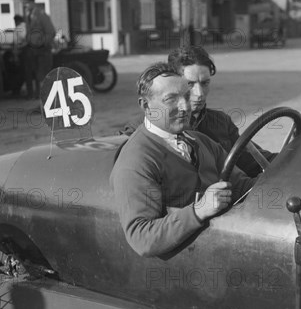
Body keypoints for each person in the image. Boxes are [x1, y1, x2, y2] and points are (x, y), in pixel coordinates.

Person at [110, 62, 255, 257]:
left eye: (186, 96)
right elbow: (142, 237)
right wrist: (199, 210)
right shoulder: (137, 161)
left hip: (228, 247)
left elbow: (242, 186)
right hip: (188, 266)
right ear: (146, 105)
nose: (185, 106)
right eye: (171, 99)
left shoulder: (201, 141)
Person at [168, 45, 275, 177]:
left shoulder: (221, 122)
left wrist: (294, 152)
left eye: (205, 83)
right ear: (172, 84)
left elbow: (253, 160)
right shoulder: (157, 127)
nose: (200, 93)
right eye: (190, 84)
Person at [22, 0, 56, 100]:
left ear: (32, 2)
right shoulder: (28, 15)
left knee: (42, 76)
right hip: (33, 50)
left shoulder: (41, 14)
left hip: (43, 50)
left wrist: (41, 43)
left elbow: (51, 32)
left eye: (26, 3)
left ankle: (47, 102)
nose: (25, 5)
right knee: (35, 75)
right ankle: (38, 99)